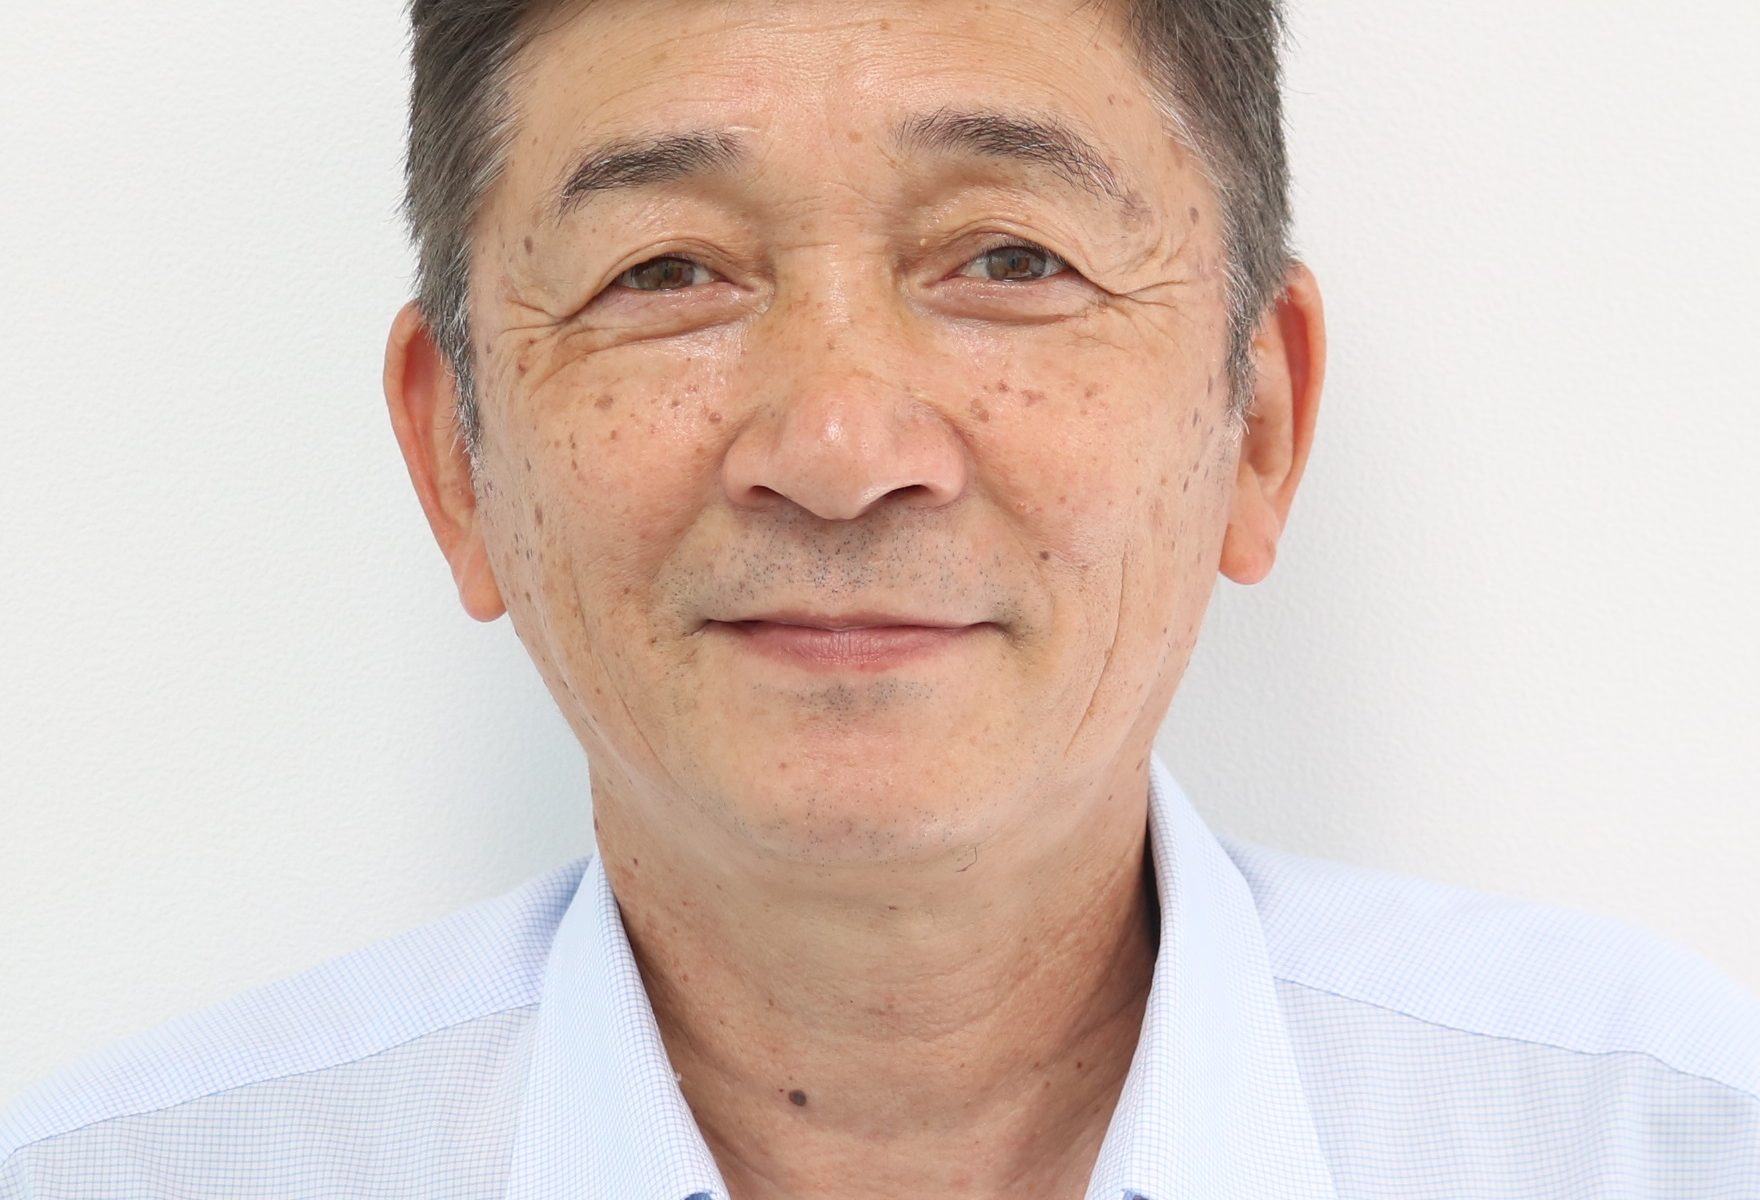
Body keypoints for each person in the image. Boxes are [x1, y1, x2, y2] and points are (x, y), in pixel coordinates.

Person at [3, 0, 1756, 1195]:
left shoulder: (1658, 1146)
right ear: (457, 453)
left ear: (1260, 424)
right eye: (666, 271)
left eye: (1010, 258)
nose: (840, 448)